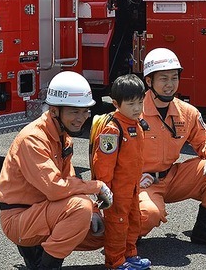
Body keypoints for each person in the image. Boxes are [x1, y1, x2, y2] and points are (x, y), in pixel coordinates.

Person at [0, 71, 113, 270]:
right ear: (54, 110)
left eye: (85, 111)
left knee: (105, 232)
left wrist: (94, 211)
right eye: (74, 112)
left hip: (46, 210)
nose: (81, 118)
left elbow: (69, 179)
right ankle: (45, 264)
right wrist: (96, 187)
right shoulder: (33, 138)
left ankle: (39, 250)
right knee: (79, 209)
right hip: (19, 218)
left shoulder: (63, 135)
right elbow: (55, 189)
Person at [138, 48, 206, 250]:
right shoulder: (133, 111)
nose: (170, 84)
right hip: (140, 182)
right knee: (148, 215)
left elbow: (205, 142)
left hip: (171, 178)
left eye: (174, 78)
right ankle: (129, 233)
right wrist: (127, 178)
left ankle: (203, 229)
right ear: (148, 81)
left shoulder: (187, 112)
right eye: (163, 78)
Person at [91, 74, 151, 270]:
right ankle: (115, 261)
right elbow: (104, 164)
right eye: (131, 103)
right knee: (118, 225)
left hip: (132, 187)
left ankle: (130, 253)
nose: (137, 108)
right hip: (116, 191)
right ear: (116, 103)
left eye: (140, 102)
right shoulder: (112, 129)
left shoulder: (136, 124)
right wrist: (104, 191)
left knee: (134, 221)